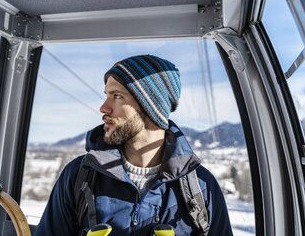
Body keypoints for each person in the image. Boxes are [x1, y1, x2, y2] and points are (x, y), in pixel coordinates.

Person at [35, 55, 233, 236]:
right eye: (106, 95)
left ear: (151, 107)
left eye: (117, 96)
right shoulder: (79, 176)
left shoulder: (201, 187)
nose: (104, 108)